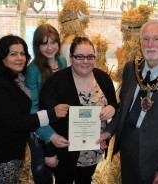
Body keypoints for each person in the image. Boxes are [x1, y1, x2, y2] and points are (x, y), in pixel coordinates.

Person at [97, 22, 158, 184]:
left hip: (155, 154)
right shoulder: (131, 69)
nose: (150, 44)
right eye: (146, 39)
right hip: (127, 145)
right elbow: (123, 108)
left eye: (156, 39)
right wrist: (108, 131)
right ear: (140, 42)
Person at [0, 34, 69, 184]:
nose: (19, 58)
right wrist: (51, 114)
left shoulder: (13, 75)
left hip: (6, 146)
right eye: (13, 54)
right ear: (2, 56)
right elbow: (16, 121)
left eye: (22, 53)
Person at [39, 36, 118, 184]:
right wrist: (49, 152)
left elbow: (115, 103)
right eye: (79, 57)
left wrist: (112, 107)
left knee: (85, 180)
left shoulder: (103, 78)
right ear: (70, 57)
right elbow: (43, 118)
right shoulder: (56, 82)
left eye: (90, 56)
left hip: (93, 148)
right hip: (64, 151)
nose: (85, 61)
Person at [25, 24, 69, 184]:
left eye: (53, 42)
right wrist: (49, 137)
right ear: (37, 46)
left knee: (61, 169)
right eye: (44, 43)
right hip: (40, 129)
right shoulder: (33, 70)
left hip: (59, 123)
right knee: (42, 169)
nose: (50, 47)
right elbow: (33, 109)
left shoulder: (62, 60)